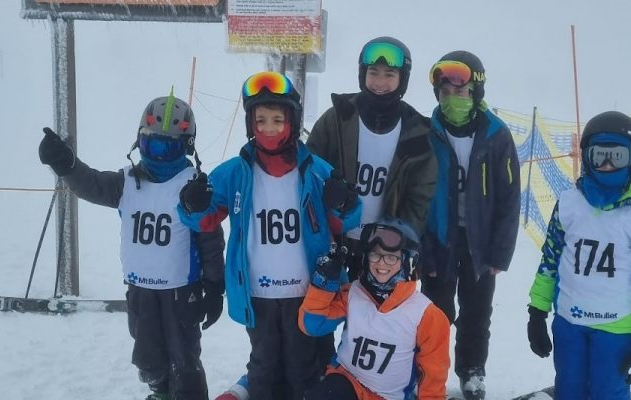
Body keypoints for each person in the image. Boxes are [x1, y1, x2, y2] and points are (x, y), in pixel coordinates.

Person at [177, 71, 361, 400]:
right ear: (250, 124)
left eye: (278, 120)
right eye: (261, 120)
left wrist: (344, 203)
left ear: (292, 121)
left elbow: (342, 222)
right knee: (263, 365)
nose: (270, 129)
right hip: (258, 293)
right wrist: (193, 204)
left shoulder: (316, 170)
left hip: (306, 291)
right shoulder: (234, 172)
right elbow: (203, 220)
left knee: (303, 367)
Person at [37, 93, 225, 400]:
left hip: (182, 293)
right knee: (148, 357)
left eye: (171, 147)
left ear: (187, 146)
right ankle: (161, 392)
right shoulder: (126, 182)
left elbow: (210, 240)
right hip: (140, 292)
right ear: (140, 142)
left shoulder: (194, 188)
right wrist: (67, 165)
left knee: (185, 362)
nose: (161, 156)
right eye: (154, 145)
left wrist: (215, 286)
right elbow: (92, 184)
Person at [526, 111, 631, 400]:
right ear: (586, 158)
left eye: (616, 156)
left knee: (609, 392)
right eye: (599, 156)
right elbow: (550, 261)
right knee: (569, 388)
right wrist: (537, 313)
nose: (606, 165)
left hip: (616, 328)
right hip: (570, 323)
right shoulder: (569, 204)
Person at [418, 51, 521, 400]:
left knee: (477, 312)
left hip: (480, 242)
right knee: (435, 312)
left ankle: (472, 369)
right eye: (445, 93)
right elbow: (416, 194)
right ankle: (429, 371)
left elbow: (509, 199)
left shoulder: (496, 135)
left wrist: (499, 252)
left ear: (475, 92)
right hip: (439, 239)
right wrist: (421, 249)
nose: (452, 100)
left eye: (460, 93)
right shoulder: (426, 132)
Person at [306, 36, 437, 279]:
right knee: (323, 311)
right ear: (362, 74)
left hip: (383, 249)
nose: (379, 82)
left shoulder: (416, 132)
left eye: (389, 74)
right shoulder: (337, 118)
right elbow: (308, 169)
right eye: (373, 72)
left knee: (371, 316)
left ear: (402, 79)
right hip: (333, 238)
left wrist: (396, 241)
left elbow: (420, 198)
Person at [300, 218, 450, 400]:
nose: (381, 263)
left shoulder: (426, 315)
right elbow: (311, 324)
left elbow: (433, 376)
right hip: (346, 382)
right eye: (375, 254)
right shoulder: (354, 294)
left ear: (407, 262)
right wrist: (324, 282)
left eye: (391, 257)